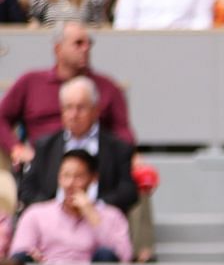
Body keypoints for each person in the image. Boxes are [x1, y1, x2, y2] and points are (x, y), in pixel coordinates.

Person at [0, 24, 133, 165]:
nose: (86, 48)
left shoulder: (107, 87)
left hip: (94, 167)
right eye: (78, 43)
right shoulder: (31, 82)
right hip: (42, 166)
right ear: (58, 49)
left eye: (89, 44)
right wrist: (16, 148)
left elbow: (123, 133)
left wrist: (124, 158)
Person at [19, 76, 138, 216]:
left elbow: (128, 192)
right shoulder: (45, 146)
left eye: (80, 108)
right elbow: (27, 190)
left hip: (99, 221)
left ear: (96, 110)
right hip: (52, 224)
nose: (74, 114)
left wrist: (95, 207)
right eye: (68, 107)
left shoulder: (118, 147)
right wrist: (52, 210)